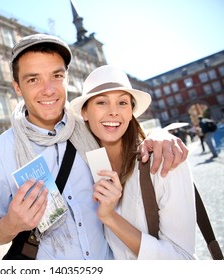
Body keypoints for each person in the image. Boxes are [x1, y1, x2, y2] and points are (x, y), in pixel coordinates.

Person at [0, 33, 188, 260]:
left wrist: (159, 136)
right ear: (17, 87)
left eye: (56, 76)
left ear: (67, 79)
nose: (48, 90)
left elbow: (124, 132)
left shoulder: (91, 131)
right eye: (33, 79)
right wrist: (10, 224)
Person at [70, 65, 196, 259]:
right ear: (85, 113)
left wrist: (109, 217)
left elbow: (183, 260)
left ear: (131, 111)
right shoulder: (84, 169)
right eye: (102, 102)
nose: (113, 112)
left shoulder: (163, 160)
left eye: (122, 103)